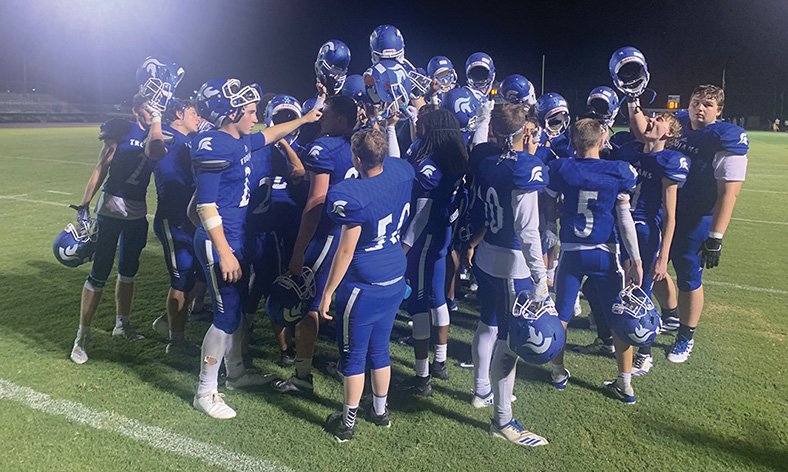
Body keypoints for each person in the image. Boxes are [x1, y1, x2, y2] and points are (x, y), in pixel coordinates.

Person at [190, 78, 321, 419]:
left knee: (232, 313)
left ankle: (235, 373)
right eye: (249, 112)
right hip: (222, 243)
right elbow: (204, 206)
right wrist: (224, 251)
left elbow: (272, 134)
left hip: (234, 237)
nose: (255, 118)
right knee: (226, 317)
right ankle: (205, 390)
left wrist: (305, 120)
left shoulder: (239, 142)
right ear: (231, 112)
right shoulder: (214, 144)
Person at [632, 85, 748, 363]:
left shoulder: (725, 137)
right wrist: (632, 98)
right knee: (651, 267)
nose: (700, 108)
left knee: (688, 274)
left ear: (719, 110)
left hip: (697, 216)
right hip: (662, 211)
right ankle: (671, 314)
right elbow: (642, 131)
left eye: (708, 104)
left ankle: (686, 335)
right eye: (697, 102)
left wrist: (716, 235)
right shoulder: (679, 121)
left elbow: (728, 192)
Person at [319, 129, 414, 442]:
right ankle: (380, 411)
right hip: (394, 276)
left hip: (364, 282)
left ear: (356, 158)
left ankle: (347, 424)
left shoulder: (351, 193)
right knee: (380, 347)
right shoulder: (401, 171)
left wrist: (329, 290)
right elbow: (396, 165)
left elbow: (346, 250)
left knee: (354, 355)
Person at [467, 103, 550, 446]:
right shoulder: (524, 168)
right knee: (510, 341)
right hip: (511, 262)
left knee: (487, 324)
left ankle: (480, 391)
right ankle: (502, 420)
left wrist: (485, 115)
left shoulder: (484, 158)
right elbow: (528, 231)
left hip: (487, 255)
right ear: (524, 131)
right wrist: (541, 276)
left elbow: (479, 144)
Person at [545, 118, 643, 404]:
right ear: (602, 142)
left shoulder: (562, 168)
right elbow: (625, 219)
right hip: (605, 254)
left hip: (573, 253)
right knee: (617, 317)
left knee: (562, 316)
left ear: (574, 143)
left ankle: (557, 371)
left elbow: (549, 202)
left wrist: (551, 227)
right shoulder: (617, 171)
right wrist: (635, 258)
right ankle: (625, 383)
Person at [276, 95, 359, 395]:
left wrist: (299, 250)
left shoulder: (324, 148)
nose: (321, 119)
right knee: (343, 304)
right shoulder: (360, 145)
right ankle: (347, 364)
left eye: (326, 115)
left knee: (309, 306)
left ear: (338, 119)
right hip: (354, 234)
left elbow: (316, 201)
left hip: (326, 234)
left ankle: (302, 375)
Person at [69, 93, 155, 364]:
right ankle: (82, 335)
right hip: (110, 209)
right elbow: (101, 168)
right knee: (99, 273)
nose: (150, 112)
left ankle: (122, 324)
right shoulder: (121, 129)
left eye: (154, 108)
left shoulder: (159, 134)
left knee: (128, 271)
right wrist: (85, 203)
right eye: (145, 108)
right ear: (135, 109)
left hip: (137, 211)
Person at [614, 106, 689, 375]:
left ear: (668, 133)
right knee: (621, 286)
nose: (652, 121)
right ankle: (615, 337)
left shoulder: (670, 161)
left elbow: (670, 216)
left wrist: (662, 257)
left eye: (659, 120)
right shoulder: (630, 151)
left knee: (641, 291)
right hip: (620, 224)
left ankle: (644, 353)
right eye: (652, 117)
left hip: (645, 231)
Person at [400, 108, 468, 395]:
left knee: (418, 303)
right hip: (443, 235)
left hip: (425, 238)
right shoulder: (454, 157)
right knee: (437, 298)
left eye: (421, 123)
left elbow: (422, 215)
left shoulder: (430, 166)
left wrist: (403, 247)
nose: (417, 125)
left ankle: (422, 376)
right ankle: (440, 361)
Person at [147, 98, 205, 354]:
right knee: (181, 278)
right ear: (179, 113)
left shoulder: (189, 140)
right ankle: (176, 342)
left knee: (196, 274)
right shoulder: (166, 137)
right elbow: (156, 152)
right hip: (174, 218)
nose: (198, 117)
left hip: (191, 219)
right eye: (194, 112)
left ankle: (166, 321)